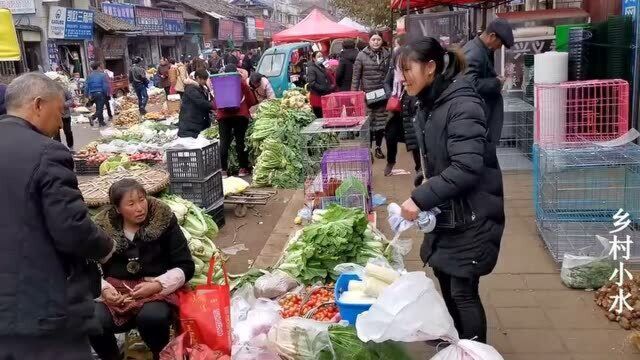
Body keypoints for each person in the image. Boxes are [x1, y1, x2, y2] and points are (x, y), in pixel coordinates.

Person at [0, 72, 114, 359]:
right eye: (60, 111)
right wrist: (106, 247)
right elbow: (71, 228)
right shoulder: (47, 152)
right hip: (40, 305)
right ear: (38, 104)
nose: (60, 121)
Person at [398, 38, 504, 344]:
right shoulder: (429, 103)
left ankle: (472, 352)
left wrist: (420, 199)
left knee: (463, 291)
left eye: (408, 69)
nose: (403, 78)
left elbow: (467, 167)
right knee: (444, 277)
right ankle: (454, 342)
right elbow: (441, 158)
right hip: (449, 212)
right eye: (401, 71)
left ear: (431, 68)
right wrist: (425, 181)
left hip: (473, 213)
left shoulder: (462, 103)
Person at [89, 179, 195, 360]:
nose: (140, 207)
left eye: (142, 199)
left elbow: (185, 265)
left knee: (152, 317)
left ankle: (159, 355)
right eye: (131, 203)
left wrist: (158, 285)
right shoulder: (103, 230)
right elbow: (90, 267)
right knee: (92, 319)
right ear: (117, 209)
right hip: (117, 293)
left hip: (155, 289)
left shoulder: (164, 222)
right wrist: (105, 289)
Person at [462, 18, 514, 145]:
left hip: (482, 119)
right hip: (478, 121)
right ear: (492, 36)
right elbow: (469, 83)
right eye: (500, 44)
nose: (499, 47)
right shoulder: (474, 52)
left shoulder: (480, 49)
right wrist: (496, 82)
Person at [383, 34, 420, 176]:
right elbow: (386, 82)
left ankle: (419, 168)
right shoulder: (394, 68)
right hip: (396, 109)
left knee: (414, 138)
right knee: (390, 135)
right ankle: (390, 162)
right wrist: (390, 95)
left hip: (410, 110)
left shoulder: (414, 70)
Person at [351, 30, 391, 159]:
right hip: (366, 97)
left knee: (380, 124)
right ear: (369, 41)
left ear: (381, 40)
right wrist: (354, 95)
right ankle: (367, 150)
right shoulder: (361, 56)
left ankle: (378, 148)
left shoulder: (387, 54)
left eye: (378, 39)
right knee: (367, 124)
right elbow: (355, 77)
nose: (376, 42)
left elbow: (390, 75)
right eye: (373, 39)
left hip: (382, 96)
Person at [217, 64, 257, 178]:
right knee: (240, 141)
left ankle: (223, 170)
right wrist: (246, 107)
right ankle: (243, 168)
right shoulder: (241, 82)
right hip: (240, 115)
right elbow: (251, 99)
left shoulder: (219, 83)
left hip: (223, 117)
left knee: (224, 142)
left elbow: (216, 102)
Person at [178, 69, 213, 139]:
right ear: (197, 78)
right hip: (190, 123)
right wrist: (213, 106)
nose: (205, 81)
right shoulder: (191, 88)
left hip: (195, 122)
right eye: (204, 79)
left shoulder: (200, 87)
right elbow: (200, 102)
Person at [306, 50, 335, 119]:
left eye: (321, 56)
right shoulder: (311, 69)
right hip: (317, 97)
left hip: (325, 95)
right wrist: (322, 88)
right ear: (313, 58)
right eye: (318, 56)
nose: (321, 58)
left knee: (326, 115)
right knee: (320, 117)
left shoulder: (322, 67)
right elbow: (312, 83)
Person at [85, 61, 110, 127]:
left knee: (98, 108)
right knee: (100, 109)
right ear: (98, 67)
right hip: (100, 93)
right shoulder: (103, 75)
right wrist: (107, 94)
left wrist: (86, 96)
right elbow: (105, 86)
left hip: (93, 94)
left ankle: (101, 122)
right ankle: (92, 117)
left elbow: (86, 86)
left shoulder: (89, 76)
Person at [53, 84, 75, 151]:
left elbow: (71, 100)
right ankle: (58, 149)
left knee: (68, 131)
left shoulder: (64, 89)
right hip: (54, 115)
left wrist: (64, 104)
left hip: (65, 115)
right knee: (55, 133)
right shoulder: (48, 92)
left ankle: (71, 147)